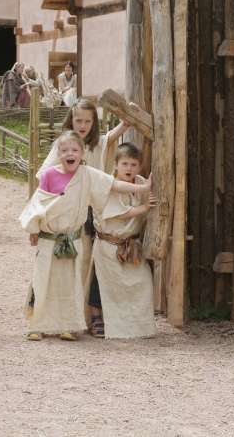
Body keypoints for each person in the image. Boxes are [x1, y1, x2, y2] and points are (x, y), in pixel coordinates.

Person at [19, 131, 151, 341]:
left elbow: (113, 184)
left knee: (72, 283)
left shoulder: (87, 174)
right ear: (58, 153)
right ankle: (37, 324)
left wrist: (142, 187)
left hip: (73, 239)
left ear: (82, 153)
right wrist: (34, 229)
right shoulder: (48, 176)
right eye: (64, 150)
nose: (69, 153)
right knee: (43, 279)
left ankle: (69, 325)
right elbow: (37, 204)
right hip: (48, 239)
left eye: (74, 150)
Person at [36, 98, 134, 336]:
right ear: (71, 119)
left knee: (83, 261)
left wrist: (128, 114)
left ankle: (78, 317)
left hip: (88, 210)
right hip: (64, 211)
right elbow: (44, 176)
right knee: (53, 263)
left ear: (94, 122)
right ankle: (45, 317)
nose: (82, 125)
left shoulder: (97, 143)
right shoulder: (65, 145)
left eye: (87, 121)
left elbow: (115, 134)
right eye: (78, 120)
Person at [91, 143, 157, 339]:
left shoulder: (141, 183)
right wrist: (144, 208)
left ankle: (138, 327)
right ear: (116, 165)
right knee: (112, 290)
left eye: (134, 164)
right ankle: (114, 327)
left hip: (131, 247)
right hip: (110, 247)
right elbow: (121, 214)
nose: (129, 168)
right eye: (125, 164)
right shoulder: (110, 185)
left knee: (142, 282)